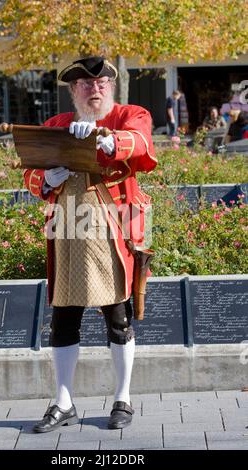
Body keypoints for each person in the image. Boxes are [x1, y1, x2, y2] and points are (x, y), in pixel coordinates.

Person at [24, 56, 157, 433]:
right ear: (73, 91)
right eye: (85, 84)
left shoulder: (131, 114)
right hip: (67, 232)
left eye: (100, 84)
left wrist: (107, 139)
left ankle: (123, 398)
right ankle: (63, 403)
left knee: (118, 318)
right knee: (64, 319)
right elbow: (32, 173)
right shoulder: (57, 125)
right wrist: (47, 178)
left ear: (111, 87)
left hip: (115, 230)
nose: (93, 89)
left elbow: (140, 142)